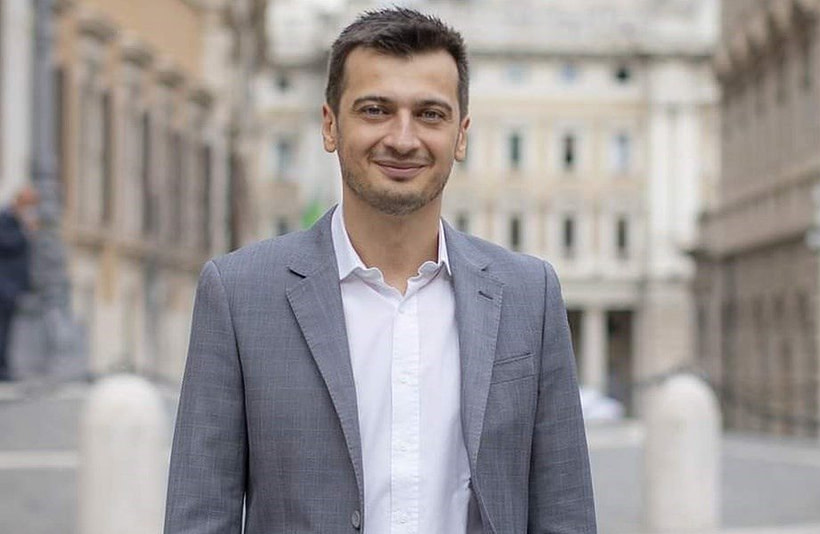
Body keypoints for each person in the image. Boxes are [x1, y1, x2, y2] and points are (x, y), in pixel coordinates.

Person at [166, 8, 596, 533]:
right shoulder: (238, 295)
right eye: (375, 110)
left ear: (461, 135)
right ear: (330, 125)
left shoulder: (531, 295)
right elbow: (200, 517)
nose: (403, 138)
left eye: (430, 114)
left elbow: (566, 514)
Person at [0, 186, 38, 382]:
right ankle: (0, 370)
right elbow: (5, 244)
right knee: (2, 327)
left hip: (13, 283)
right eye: (28, 205)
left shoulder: (15, 221)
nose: (30, 210)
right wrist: (25, 232)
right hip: (3, 283)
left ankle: (6, 367)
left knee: (10, 327)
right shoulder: (2, 219)